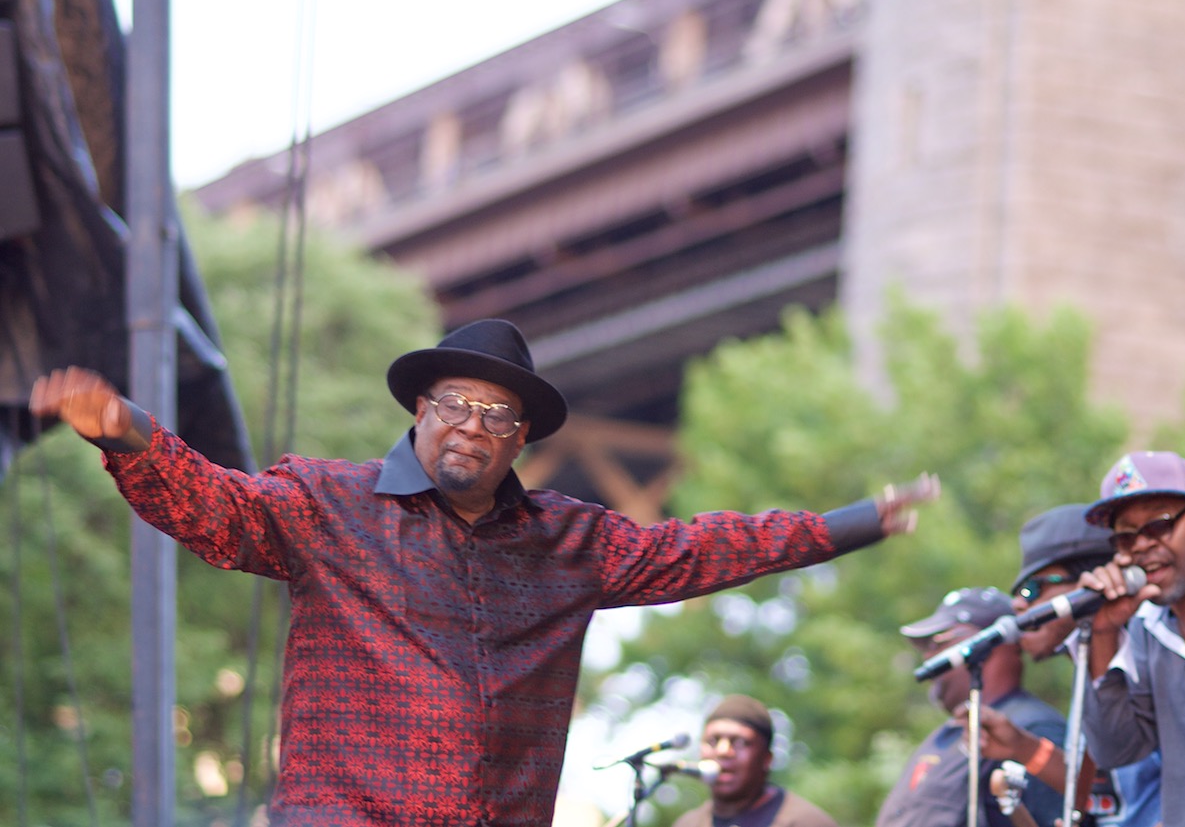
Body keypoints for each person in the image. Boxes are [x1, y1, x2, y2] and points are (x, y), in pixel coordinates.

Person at [28, 318, 938, 827]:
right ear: (420, 413)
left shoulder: (571, 543)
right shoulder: (325, 503)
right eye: (454, 404)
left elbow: (701, 548)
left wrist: (848, 523)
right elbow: (213, 509)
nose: (471, 424)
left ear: (521, 439)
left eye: (496, 415)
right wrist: (127, 430)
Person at [1077, 451, 1185, 827]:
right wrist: (1105, 634)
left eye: (1158, 525)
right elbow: (1115, 749)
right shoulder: (1144, 628)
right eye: (1125, 537)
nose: (1140, 545)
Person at [968, 504, 1162, 826]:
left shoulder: (1148, 657)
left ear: (1090, 582)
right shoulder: (1086, 668)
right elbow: (1102, 789)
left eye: (1033, 589)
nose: (1018, 603)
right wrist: (1022, 746)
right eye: (1016, 592)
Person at [874, 587, 1066, 827]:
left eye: (938, 642)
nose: (929, 657)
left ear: (993, 641)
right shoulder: (951, 731)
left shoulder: (1032, 729)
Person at [672, 694, 839, 827]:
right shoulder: (687, 823)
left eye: (740, 742)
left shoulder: (806, 822)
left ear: (767, 759)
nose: (723, 751)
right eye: (713, 741)